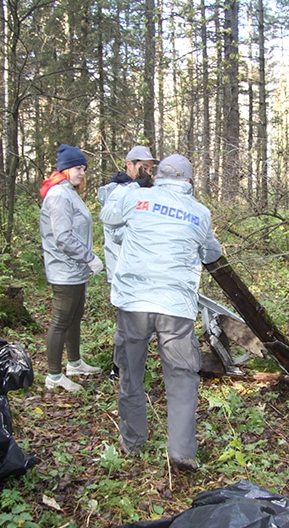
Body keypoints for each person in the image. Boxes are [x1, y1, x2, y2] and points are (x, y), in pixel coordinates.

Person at [99, 153, 222, 472]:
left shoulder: (138, 196)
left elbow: (108, 216)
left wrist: (129, 188)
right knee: (181, 378)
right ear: (188, 182)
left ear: (159, 177)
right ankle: (181, 452)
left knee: (131, 374)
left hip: (133, 303)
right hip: (175, 308)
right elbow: (210, 251)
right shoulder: (200, 212)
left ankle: (133, 442)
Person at [39, 144, 105, 392]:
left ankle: (74, 363)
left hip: (75, 270)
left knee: (74, 317)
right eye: (78, 167)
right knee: (61, 320)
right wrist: (89, 257)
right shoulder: (58, 195)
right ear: (65, 169)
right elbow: (63, 237)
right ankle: (54, 375)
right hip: (64, 269)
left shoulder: (69, 192)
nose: (82, 173)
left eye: (84, 168)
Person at [97, 146, 160, 381]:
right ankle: (121, 370)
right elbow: (115, 229)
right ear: (129, 164)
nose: (147, 172)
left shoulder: (140, 190)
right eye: (143, 167)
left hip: (138, 268)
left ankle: (125, 367)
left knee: (139, 322)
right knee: (129, 323)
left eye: (150, 168)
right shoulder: (121, 192)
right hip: (124, 269)